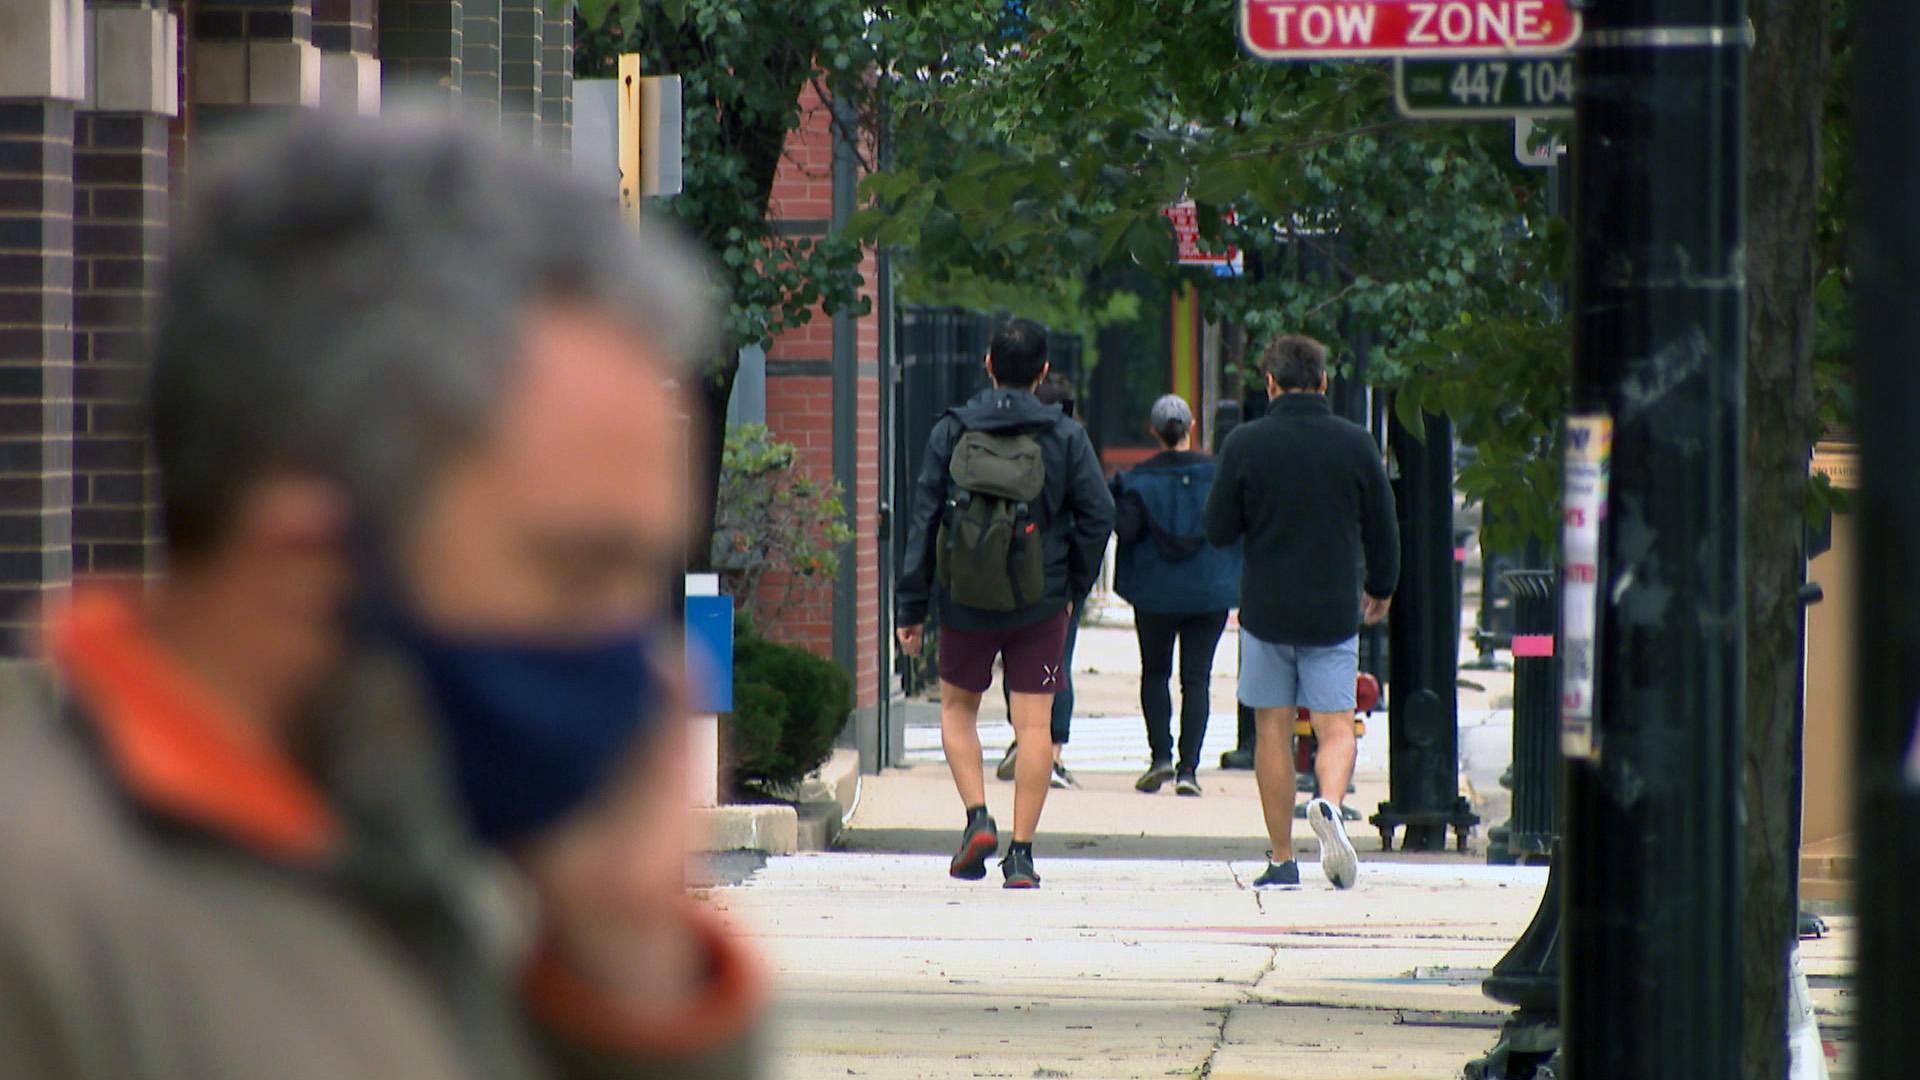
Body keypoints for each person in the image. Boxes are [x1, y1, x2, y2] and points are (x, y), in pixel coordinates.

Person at [0, 113, 765, 1078]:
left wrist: (626, 985)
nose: (647, 659)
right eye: (575, 571)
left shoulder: (433, 879)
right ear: (309, 553)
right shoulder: (46, 939)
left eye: (642, 575)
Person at [897, 321, 1114, 889]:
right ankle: (1021, 854)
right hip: (1039, 603)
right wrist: (1072, 588)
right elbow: (1099, 514)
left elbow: (924, 519)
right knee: (1034, 724)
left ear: (988, 363)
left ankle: (976, 817)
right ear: (1043, 372)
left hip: (965, 597)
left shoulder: (952, 429)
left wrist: (911, 606)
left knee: (957, 709)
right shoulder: (1065, 436)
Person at [1205, 334, 1399, 890]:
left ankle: (1283, 857)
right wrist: (1380, 586)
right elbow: (1383, 527)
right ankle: (1331, 806)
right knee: (1336, 727)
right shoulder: (1355, 444)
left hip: (1266, 609)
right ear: (1323, 382)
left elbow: (1217, 529)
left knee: (1272, 730)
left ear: (1269, 383)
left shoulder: (1246, 444)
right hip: (1334, 607)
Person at [1110, 394, 1240, 797]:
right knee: (1196, 678)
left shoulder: (1135, 480)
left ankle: (1160, 756)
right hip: (1208, 589)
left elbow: (1126, 531)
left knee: (1155, 672)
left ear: (1154, 432)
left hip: (1155, 591)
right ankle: (1190, 769)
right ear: (1191, 426)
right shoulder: (1218, 475)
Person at [996, 371, 1085, 790]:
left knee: (1013, 657)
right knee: (1056, 663)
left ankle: (1023, 738)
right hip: (1059, 572)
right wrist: (1078, 583)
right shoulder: (1073, 444)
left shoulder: (1003, 438)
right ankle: (1050, 752)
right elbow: (1096, 513)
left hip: (1007, 565)